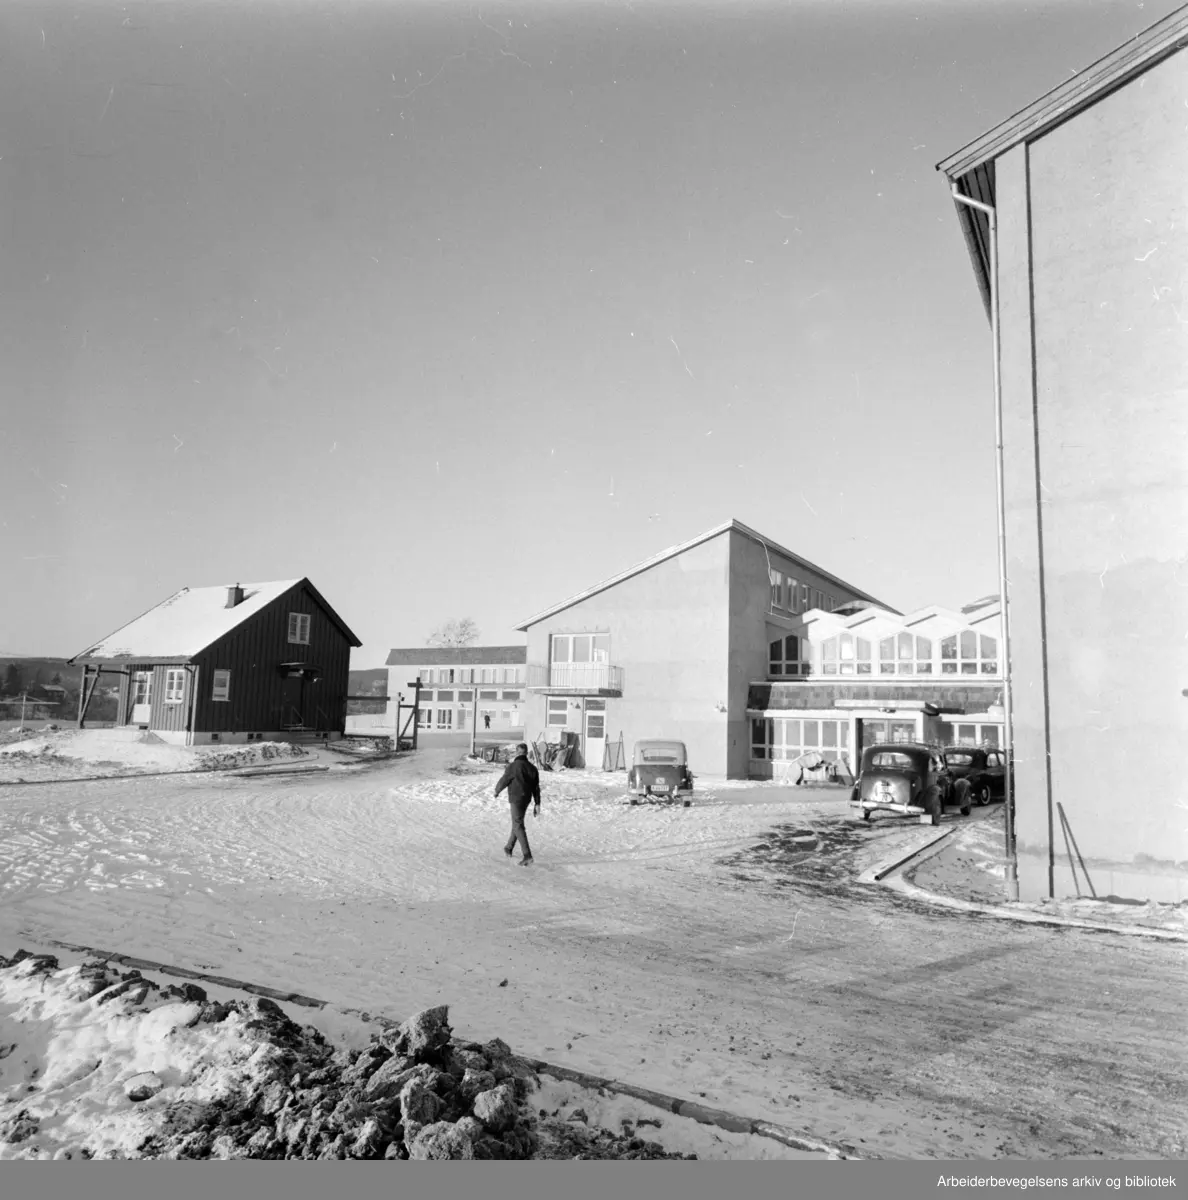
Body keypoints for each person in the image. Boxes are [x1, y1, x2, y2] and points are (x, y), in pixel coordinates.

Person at [494, 742, 541, 865]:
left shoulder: (513, 766)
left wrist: (497, 790)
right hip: (526, 799)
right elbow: (536, 787)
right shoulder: (533, 768)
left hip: (516, 798)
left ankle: (527, 855)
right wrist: (537, 803)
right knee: (517, 822)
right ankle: (508, 847)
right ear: (526, 752)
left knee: (518, 825)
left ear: (517, 752)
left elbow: (505, 780)